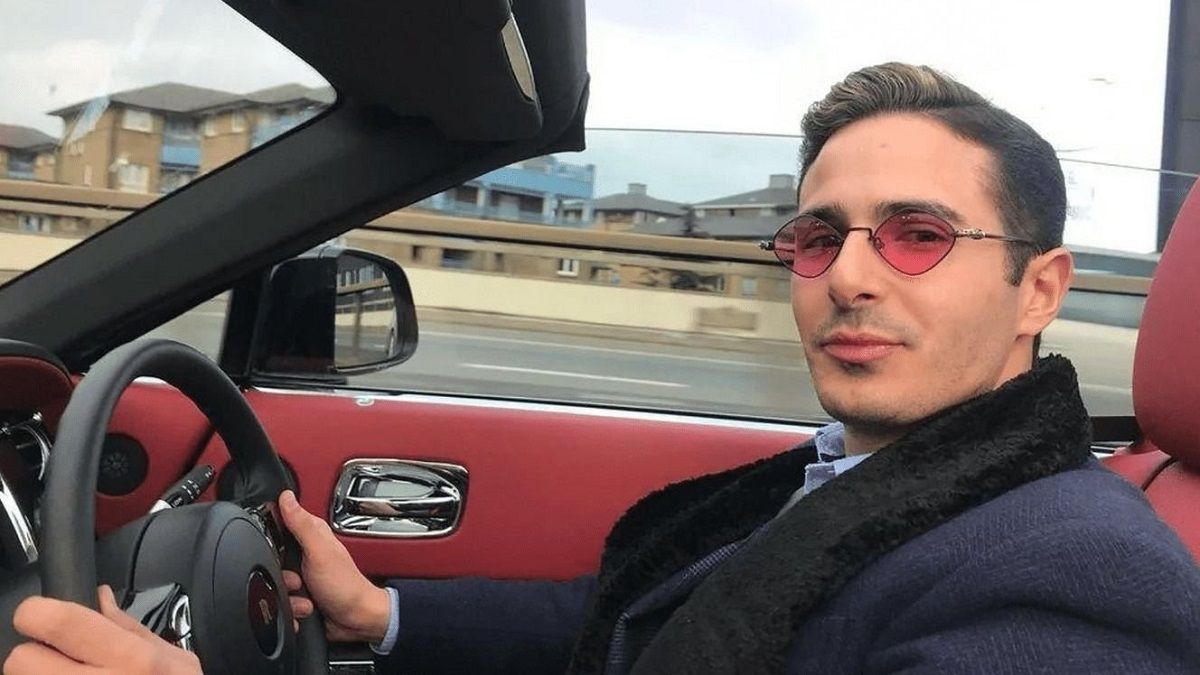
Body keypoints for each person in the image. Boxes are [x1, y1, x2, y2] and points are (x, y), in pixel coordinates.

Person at [7, 62, 1200, 674]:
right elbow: (634, 617)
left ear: (1038, 288)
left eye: (918, 235)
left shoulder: (1077, 583)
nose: (848, 276)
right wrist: (381, 612)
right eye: (817, 236)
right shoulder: (860, 476)